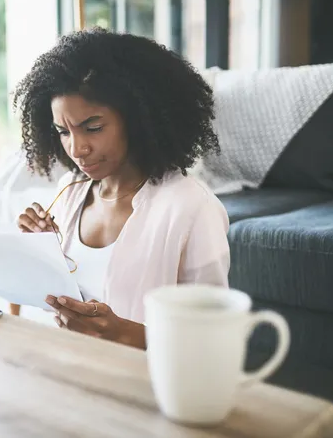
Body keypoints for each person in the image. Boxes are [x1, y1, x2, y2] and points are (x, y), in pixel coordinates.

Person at [14, 27, 230, 350]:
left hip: (140, 390)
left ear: (139, 118)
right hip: (65, 375)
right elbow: (29, 315)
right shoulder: (69, 194)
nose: (77, 148)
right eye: (63, 132)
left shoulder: (191, 208)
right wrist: (33, 254)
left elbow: (213, 338)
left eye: (93, 128)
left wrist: (120, 333)